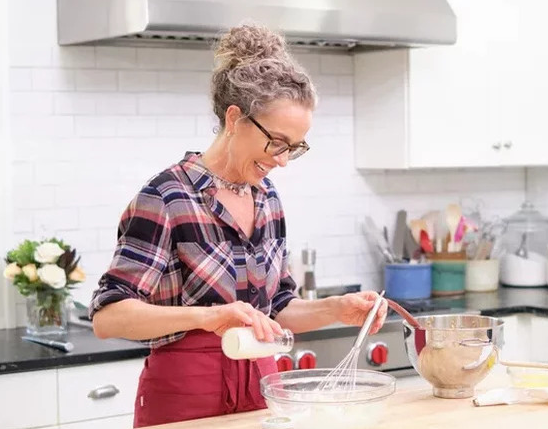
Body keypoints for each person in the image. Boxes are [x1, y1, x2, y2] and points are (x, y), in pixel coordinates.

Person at [89, 23, 389, 427]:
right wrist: (206, 317)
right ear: (235, 119)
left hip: (264, 392)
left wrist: (335, 309)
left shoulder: (267, 199)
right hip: (184, 400)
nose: (282, 159)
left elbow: (279, 309)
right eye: (277, 142)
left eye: (295, 148)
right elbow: (109, 317)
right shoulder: (167, 197)